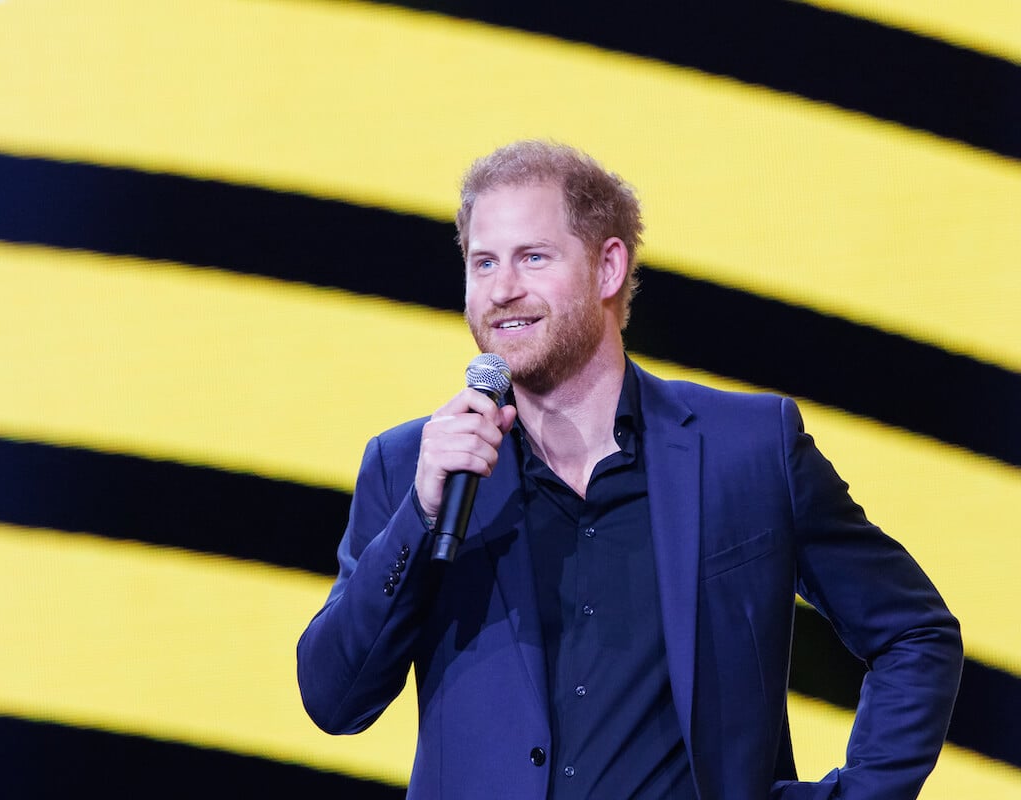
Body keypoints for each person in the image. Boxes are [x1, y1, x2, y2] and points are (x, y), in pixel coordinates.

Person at [296, 140, 962, 799]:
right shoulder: (414, 467)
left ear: (609, 267)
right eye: (483, 263)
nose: (502, 289)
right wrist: (420, 516)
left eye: (533, 257)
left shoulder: (748, 450)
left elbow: (915, 633)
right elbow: (334, 699)